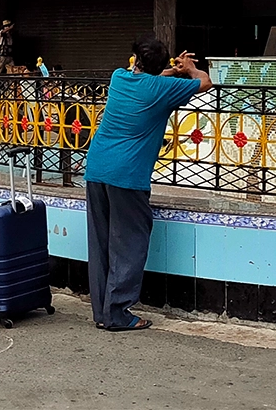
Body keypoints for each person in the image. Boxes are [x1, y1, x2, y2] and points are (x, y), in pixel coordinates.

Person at [82, 37, 210, 332]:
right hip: (128, 174)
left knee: (100, 241)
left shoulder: (119, 77)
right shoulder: (162, 89)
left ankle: (102, 312)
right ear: (161, 66)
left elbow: (151, 78)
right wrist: (189, 68)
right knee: (129, 242)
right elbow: (205, 83)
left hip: (97, 167)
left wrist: (171, 69)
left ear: (135, 60)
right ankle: (117, 314)